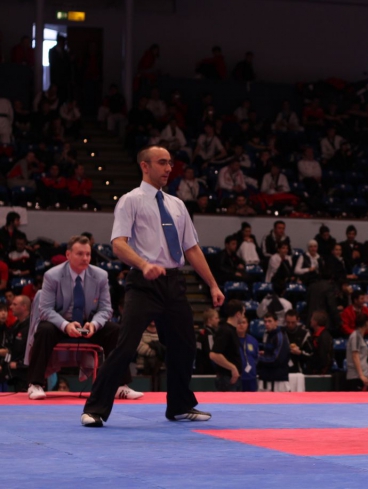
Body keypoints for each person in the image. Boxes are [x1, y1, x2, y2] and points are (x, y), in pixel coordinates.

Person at [81, 146, 224, 428]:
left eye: (170, 163)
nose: (168, 168)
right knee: (126, 345)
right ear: (145, 166)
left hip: (174, 281)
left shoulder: (177, 204)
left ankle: (180, 406)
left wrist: (213, 285)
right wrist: (144, 264)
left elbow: (192, 249)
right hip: (143, 282)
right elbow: (118, 244)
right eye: (162, 162)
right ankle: (95, 408)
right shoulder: (130, 201)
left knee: (185, 345)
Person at [25, 235, 142, 400]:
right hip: (60, 324)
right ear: (68, 255)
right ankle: (35, 384)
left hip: (87, 324)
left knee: (115, 331)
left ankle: (120, 385)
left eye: (88, 254)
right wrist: (65, 325)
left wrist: (94, 324)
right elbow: (45, 310)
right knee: (44, 329)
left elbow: (106, 309)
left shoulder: (100, 275)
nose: (85, 258)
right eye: (80, 254)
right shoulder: (52, 275)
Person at [210, 300, 244, 392]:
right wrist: (232, 367)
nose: (243, 316)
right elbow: (214, 354)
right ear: (238, 314)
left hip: (232, 378)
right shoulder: (225, 330)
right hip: (227, 379)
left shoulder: (231, 330)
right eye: (243, 313)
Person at [257, 311, 291, 391]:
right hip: (267, 377)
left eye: (269, 321)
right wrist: (265, 354)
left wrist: (259, 358)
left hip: (279, 380)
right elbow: (271, 352)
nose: (267, 324)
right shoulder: (267, 335)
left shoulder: (280, 337)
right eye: (265, 321)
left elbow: (276, 359)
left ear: (276, 322)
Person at [346, 313, 368, 391]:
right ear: (366, 323)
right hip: (356, 377)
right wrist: (361, 375)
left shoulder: (360, 336)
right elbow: (355, 356)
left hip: (362, 376)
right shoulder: (355, 336)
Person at [236, 315, 259, 392]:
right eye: (239, 323)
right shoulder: (231, 339)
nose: (241, 325)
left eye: (244, 322)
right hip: (237, 378)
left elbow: (256, 357)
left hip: (251, 378)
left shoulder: (253, 340)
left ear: (247, 324)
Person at [194, 308, 219, 375]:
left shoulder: (203, 333)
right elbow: (211, 353)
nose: (218, 320)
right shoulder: (208, 335)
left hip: (201, 368)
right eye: (216, 318)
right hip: (207, 370)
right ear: (209, 320)